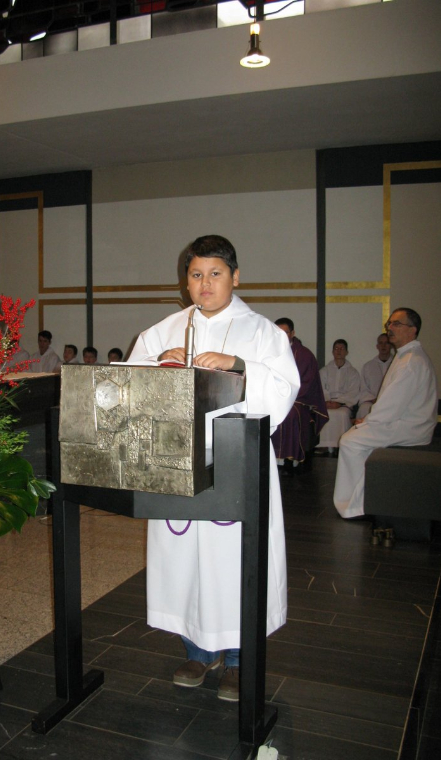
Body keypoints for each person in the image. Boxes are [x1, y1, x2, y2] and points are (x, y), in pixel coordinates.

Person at [128, 235, 299, 701]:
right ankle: (197, 650)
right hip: (177, 458)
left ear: (235, 277)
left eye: (215, 274)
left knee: (234, 560)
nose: (205, 284)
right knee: (185, 558)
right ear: (186, 280)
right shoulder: (164, 330)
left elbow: (283, 390)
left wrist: (238, 365)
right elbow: (130, 384)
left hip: (234, 458)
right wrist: (158, 366)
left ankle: (240, 659)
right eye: (196, 275)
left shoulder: (262, 332)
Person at [334, 308, 437, 519]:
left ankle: (358, 506)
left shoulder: (411, 362)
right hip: (403, 420)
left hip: (410, 426)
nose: (390, 328)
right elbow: (391, 402)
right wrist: (369, 420)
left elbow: (392, 405)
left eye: (397, 324)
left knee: (350, 442)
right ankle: (361, 499)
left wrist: (367, 421)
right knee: (353, 437)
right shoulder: (406, 356)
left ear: (413, 330)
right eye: (389, 323)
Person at [271, 318, 328, 470]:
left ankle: (289, 460)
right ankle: (267, 458)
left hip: (297, 401)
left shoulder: (304, 355)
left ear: (293, 333)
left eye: (285, 332)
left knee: (289, 414)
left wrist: (285, 398)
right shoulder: (268, 352)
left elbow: (307, 383)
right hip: (273, 398)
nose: (282, 336)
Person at [318, 339, 360, 454]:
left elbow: (353, 392)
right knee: (324, 413)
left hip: (343, 404)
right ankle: (324, 445)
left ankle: (340, 445)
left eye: (342, 349)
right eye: (336, 348)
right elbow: (321, 388)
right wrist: (327, 401)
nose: (339, 351)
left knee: (342, 414)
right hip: (327, 403)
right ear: (332, 352)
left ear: (346, 352)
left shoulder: (353, 372)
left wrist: (339, 402)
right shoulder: (324, 371)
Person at [356, 333, 393, 419]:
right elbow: (363, 388)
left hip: (391, 401)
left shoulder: (396, 364)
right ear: (377, 346)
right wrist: (374, 399)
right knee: (364, 409)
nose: (383, 346)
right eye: (381, 343)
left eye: (386, 343)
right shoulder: (368, 366)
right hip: (371, 401)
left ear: (391, 345)